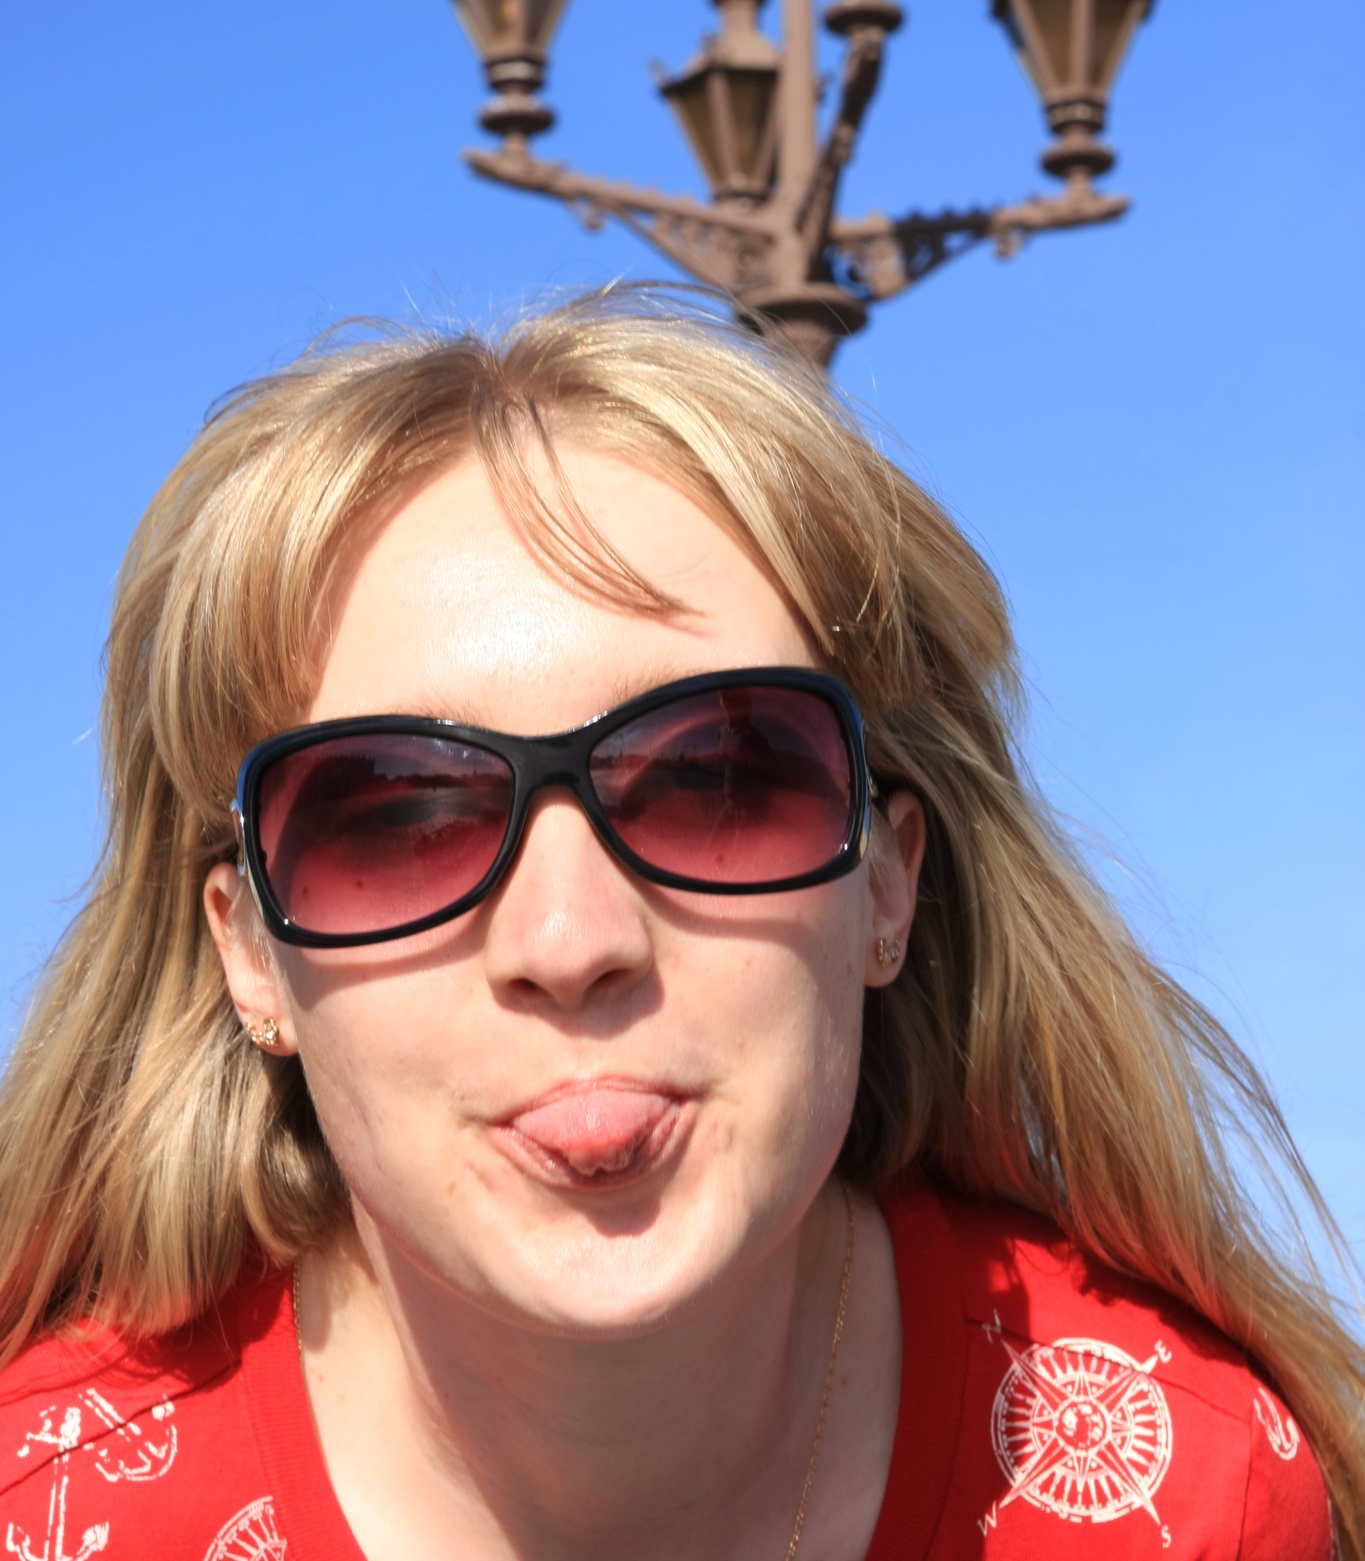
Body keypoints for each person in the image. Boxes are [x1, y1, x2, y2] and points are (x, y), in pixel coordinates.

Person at [0, 291, 1360, 1561]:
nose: (570, 940)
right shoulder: (48, 1514)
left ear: (886, 886)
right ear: (251, 955)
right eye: (398, 819)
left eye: (717, 779)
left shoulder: (1201, 1502)